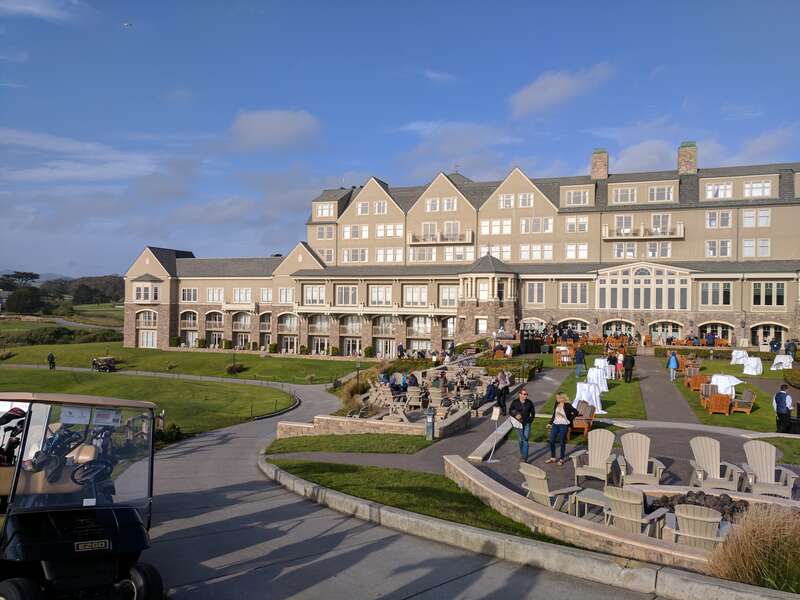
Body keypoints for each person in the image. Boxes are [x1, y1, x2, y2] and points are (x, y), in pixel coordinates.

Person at [546, 393, 578, 465]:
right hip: (555, 424)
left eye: (557, 397)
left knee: (562, 442)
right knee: (551, 440)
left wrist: (570, 419)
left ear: (562, 398)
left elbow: (576, 412)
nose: (556, 398)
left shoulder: (568, 405)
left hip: (563, 425)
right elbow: (554, 414)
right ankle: (553, 457)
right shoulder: (556, 404)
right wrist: (550, 423)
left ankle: (561, 459)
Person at [509, 389, 535, 462]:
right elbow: (510, 411)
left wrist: (530, 421)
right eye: (524, 394)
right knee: (521, 441)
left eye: (526, 394)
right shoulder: (515, 402)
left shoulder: (529, 403)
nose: (526, 395)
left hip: (526, 424)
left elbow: (533, 413)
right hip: (518, 424)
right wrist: (515, 415)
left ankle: (525, 458)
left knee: (525, 440)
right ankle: (523, 454)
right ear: (520, 394)